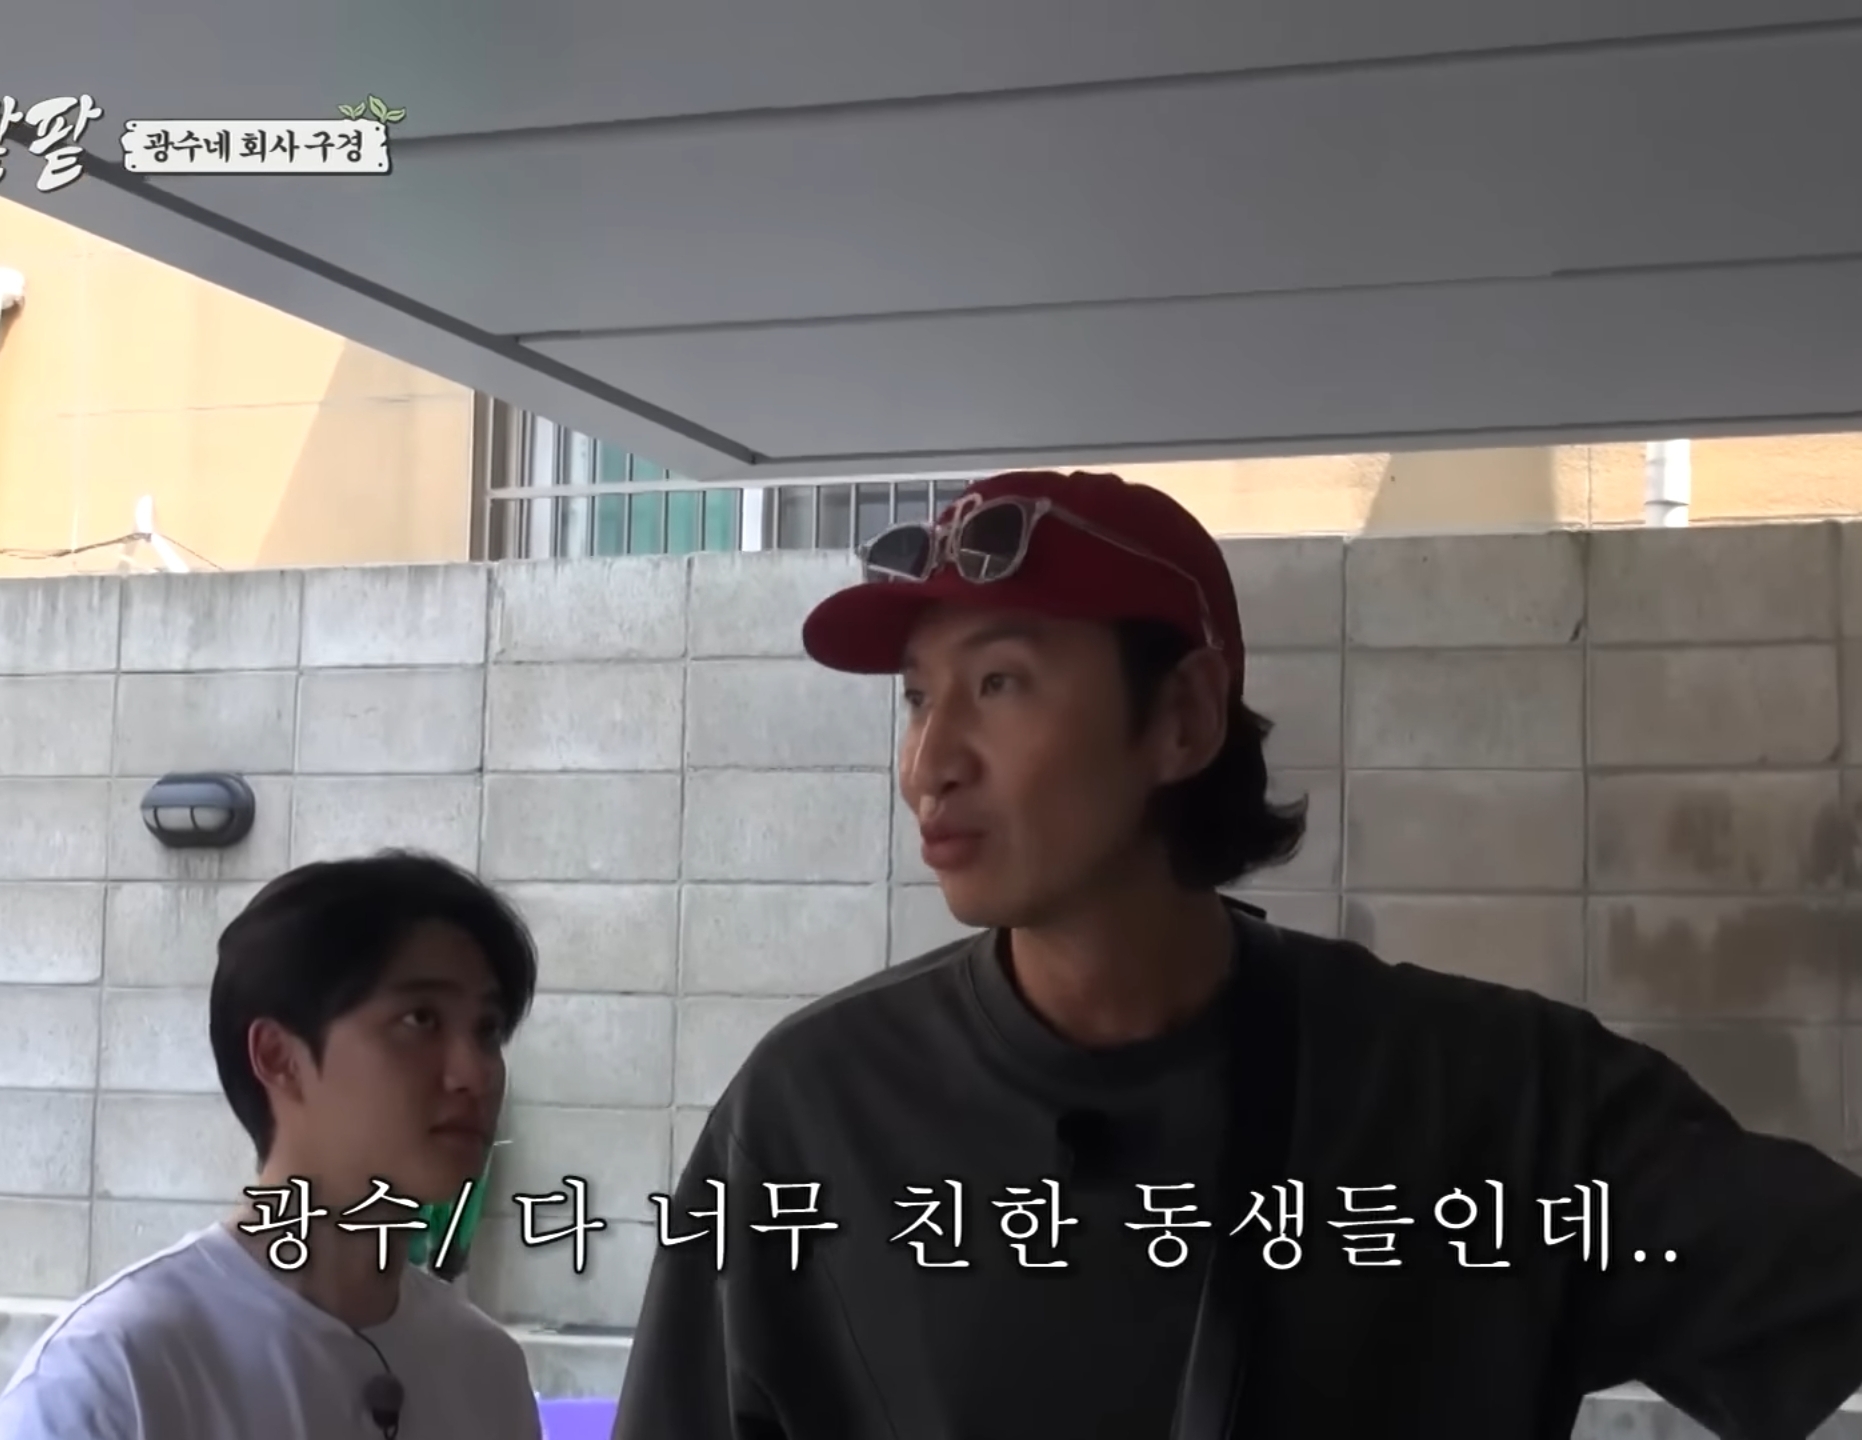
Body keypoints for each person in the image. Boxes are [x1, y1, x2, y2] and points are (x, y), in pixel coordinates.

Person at [614, 469, 1862, 1440]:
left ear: (1182, 717)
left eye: (997, 684)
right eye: (915, 696)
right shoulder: (812, 1113)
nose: (927, 762)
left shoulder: (1490, 1097)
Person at [0, 850, 544, 1440]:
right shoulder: (112, 1375)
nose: (475, 1073)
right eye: (420, 1020)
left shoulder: (486, 1368)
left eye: (487, 1030)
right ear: (278, 1058)